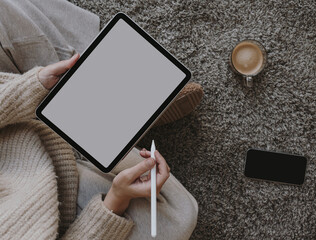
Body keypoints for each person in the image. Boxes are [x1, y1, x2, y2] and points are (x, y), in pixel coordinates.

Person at [0, 1, 201, 239]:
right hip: (52, 194)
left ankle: (100, 104)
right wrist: (115, 203)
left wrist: (30, 88)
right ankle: (118, 115)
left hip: (14, 128)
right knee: (178, 219)